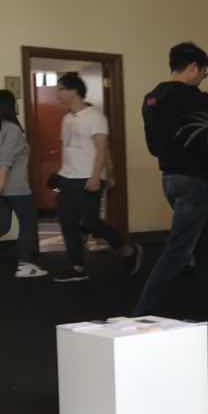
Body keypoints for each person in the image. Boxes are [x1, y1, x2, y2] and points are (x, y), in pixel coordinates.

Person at [133, 43, 208, 325]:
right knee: (178, 249)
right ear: (193, 67)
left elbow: (154, 146)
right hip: (196, 180)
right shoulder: (199, 100)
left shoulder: (152, 98)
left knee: (203, 245)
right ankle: (140, 314)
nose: (202, 78)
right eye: (203, 73)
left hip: (170, 179)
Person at [50, 72, 140, 283]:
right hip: (68, 178)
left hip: (89, 177)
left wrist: (97, 176)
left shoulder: (95, 116)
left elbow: (102, 149)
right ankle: (77, 267)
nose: (57, 93)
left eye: (61, 89)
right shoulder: (66, 119)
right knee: (67, 221)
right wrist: (60, 174)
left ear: (74, 91)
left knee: (90, 222)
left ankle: (128, 250)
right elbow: (67, 149)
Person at [0, 89, 46, 278]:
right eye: (15, 102)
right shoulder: (12, 129)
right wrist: (1, 185)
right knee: (28, 223)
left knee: (2, 225)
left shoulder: (3, 128)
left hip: (5, 188)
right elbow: (5, 161)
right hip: (16, 189)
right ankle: (25, 265)